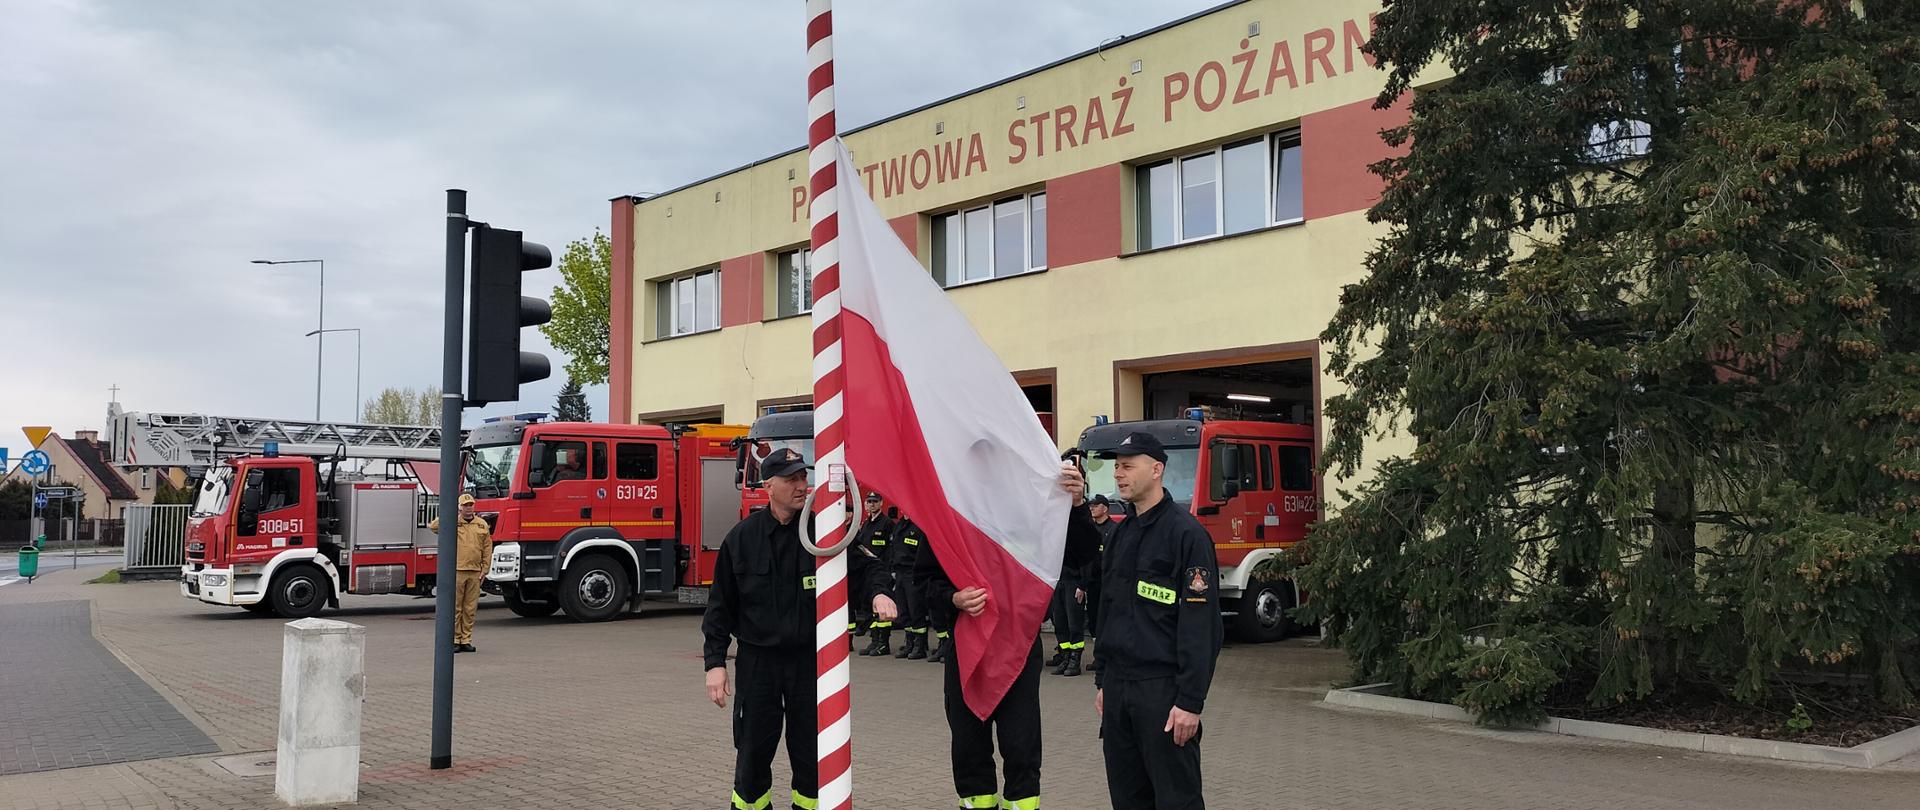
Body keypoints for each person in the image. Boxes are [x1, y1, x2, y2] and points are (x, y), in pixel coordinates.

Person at [896, 462, 1098, 810]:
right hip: (966, 646)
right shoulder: (950, 518)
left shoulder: (1031, 515)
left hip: (1019, 645)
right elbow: (925, 581)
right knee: (968, 747)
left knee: (1021, 747)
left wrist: (1077, 505)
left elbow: (1083, 553)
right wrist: (954, 598)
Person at [702, 448, 891, 810]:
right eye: (791, 479)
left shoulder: (825, 533)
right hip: (759, 664)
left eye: (804, 477)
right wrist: (715, 663)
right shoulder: (742, 538)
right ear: (768, 486)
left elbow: (870, 567)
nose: (802, 485)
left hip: (809, 663)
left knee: (811, 757)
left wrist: (880, 594)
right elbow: (720, 607)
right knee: (752, 754)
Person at [1093, 432, 1223, 810]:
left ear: (1156, 470)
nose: (1118, 474)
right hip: (1119, 690)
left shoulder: (1186, 535)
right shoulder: (1120, 535)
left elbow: (1201, 626)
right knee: (1128, 798)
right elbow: (1108, 611)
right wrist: (1104, 680)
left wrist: (1190, 701)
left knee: (1176, 799)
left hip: (1162, 692)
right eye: (1116, 467)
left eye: (1127, 466)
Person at [426, 492, 491, 653]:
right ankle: (455, 639)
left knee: (470, 608)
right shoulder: (452, 522)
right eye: (465, 505)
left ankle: (466, 639)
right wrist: (450, 514)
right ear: (459, 507)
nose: (468, 508)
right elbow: (433, 527)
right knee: (456, 608)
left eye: (470, 505)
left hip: (475, 572)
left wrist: (485, 569)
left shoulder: (481, 525)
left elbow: (487, 548)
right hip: (457, 570)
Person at [853, 493, 896, 656]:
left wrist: (890, 570)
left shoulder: (887, 523)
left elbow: (892, 548)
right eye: (869, 501)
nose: (871, 504)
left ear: (881, 503)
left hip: (881, 572)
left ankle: (883, 643)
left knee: (881, 610)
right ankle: (875, 640)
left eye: (874, 502)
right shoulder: (866, 524)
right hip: (867, 573)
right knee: (869, 609)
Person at [1081, 494, 1118, 671]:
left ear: (1105, 508)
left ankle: (1111, 658)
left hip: (1109, 581)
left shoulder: (1115, 529)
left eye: (1095, 506)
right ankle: (1099, 657)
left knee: (1110, 619)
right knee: (1095, 619)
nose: (1092, 509)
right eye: (1091, 506)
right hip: (1093, 582)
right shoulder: (1090, 529)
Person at [887, 513, 931, 660]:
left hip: (912, 573)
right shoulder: (900, 525)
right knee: (904, 611)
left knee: (916, 610)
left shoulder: (918, 526)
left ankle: (920, 645)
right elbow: (893, 549)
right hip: (899, 573)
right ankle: (910, 642)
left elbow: (922, 553)